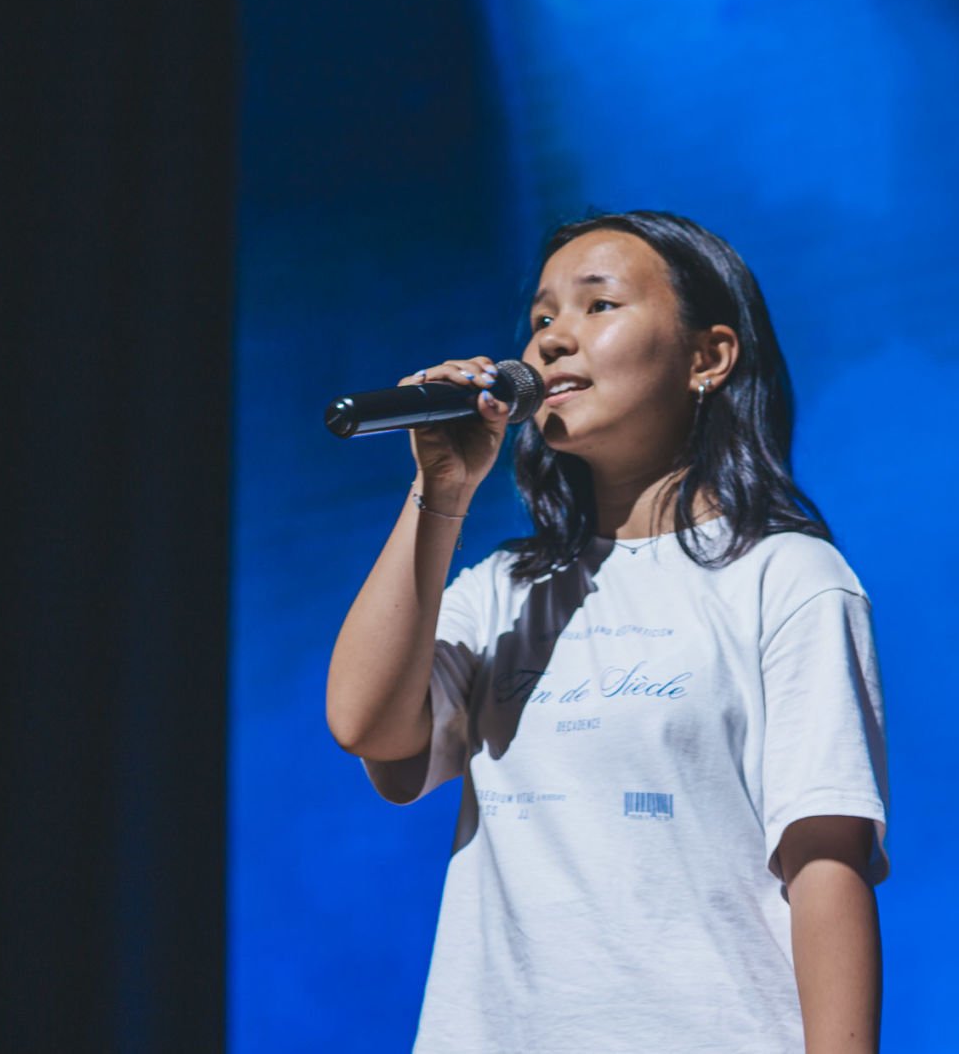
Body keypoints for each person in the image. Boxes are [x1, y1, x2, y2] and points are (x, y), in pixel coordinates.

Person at [326, 210, 891, 1053]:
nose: (552, 339)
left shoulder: (786, 578)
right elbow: (365, 723)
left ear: (709, 357)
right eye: (541, 317)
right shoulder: (505, 590)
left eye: (599, 305)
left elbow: (826, 862)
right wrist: (442, 487)